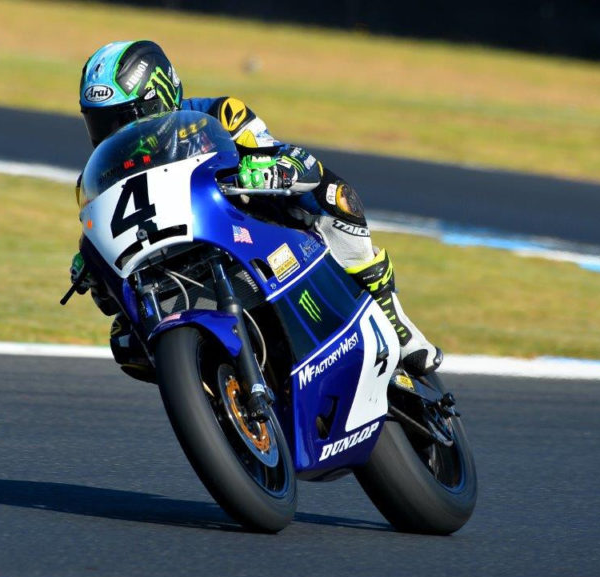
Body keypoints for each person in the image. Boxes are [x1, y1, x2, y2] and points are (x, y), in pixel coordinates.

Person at [72, 40, 441, 377]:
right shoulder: (101, 173)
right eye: (100, 122)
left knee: (333, 195)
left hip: (247, 227)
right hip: (171, 261)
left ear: (160, 97)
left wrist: (271, 167)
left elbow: (284, 156)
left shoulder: (219, 114)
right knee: (125, 338)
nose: (114, 133)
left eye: (123, 118)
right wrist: (90, 263)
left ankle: (389, 311)